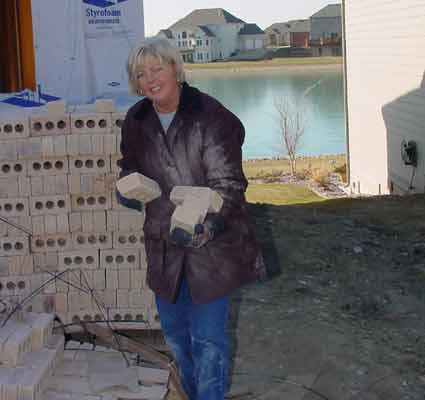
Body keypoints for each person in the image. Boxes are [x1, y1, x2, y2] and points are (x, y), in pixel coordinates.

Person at [117, 38, 261, 400]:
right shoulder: (136, 120)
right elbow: (129, 168)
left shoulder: (210, 116)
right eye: (140, 74)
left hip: (211, 250)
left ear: (175, 69)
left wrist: (205, 225)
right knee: (177, 341)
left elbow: (228, 184)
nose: (149, 79)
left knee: (209, 343)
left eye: (156, 68)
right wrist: (127, 190)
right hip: (164, 248)